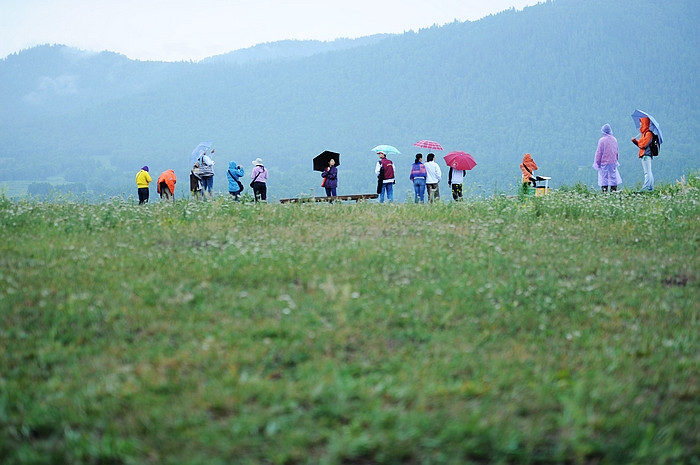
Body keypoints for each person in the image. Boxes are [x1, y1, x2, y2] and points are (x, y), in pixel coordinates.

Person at [593, 123, 621, 193]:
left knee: (604, 178)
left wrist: (597, 162)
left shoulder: (602, 140)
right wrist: (616, 160)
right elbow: (616, 151)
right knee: (613, 177)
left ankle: (604, 192)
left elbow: (599, 152)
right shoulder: (614, 139)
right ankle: (613, 192)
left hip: (604, 162)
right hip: (613, 162)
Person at [632, 116, 654, 191]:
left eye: (641, 122)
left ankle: (646, 188)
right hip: (645, 155)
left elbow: (643, 145)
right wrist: (636, 142)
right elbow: (641, 144)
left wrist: (637, 142)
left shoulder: (648, 134)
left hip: (646, 155)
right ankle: (650, 188)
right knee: (649, 171)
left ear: (645, 123)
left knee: (647, 172)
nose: (640, 124)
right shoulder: (644, 134)